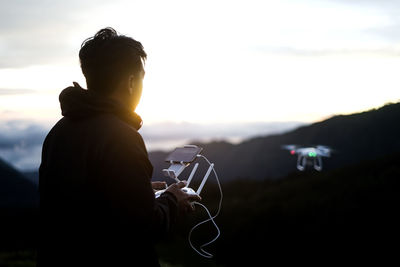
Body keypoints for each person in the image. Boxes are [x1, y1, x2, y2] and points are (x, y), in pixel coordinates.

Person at [37, 27, 200, 267]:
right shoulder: (121, 137)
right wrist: (173, 200)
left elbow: (85, 206)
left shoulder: (59, 131)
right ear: (132, 82)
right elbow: (143, 226)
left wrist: (139, 192)